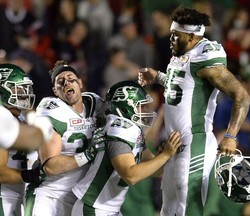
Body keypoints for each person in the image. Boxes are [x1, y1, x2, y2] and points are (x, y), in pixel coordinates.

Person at [138, 7, 250, 216]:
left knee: (187, 205)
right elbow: (186, 85)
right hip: (175, 145)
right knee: (169, 207)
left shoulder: (205, 58)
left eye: (175, 35)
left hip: (195, 142)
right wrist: (159, 77)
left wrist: (230, 136)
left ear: (191, 36)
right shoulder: (182, 55)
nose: (170, 38)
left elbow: (242, 95)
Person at [71, 80, 182, 216]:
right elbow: (131, 175)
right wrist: (165, 155)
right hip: (94, 208)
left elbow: (154, 170)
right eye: (140, 106)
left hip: (107, 208)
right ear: (125, 106)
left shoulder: (131, 130)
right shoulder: (120, 129)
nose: (145, 110)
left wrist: (163, 158)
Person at [24, 60, 106, 216]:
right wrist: (87, 154)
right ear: (55, 91)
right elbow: (50, 166)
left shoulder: (96, 104)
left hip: (80, 195)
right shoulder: (53, 111)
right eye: (60, 82)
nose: (66, 82)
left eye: (71, 78)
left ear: (80, 83)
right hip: (49, 194)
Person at [0, 63, 52, 216]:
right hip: (4, 197)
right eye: (18, 88)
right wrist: (30, 175)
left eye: (25, 88)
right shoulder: (3, 118)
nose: (24, 93)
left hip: (18, 195)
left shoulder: (19, 117)